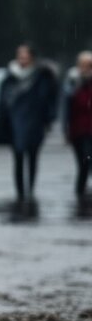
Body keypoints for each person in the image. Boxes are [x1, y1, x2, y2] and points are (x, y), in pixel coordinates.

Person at [0, 43, 59, 213]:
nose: (22, 58)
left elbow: (48, 99)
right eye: (19, 55)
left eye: (25, 55)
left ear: (32, 57)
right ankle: (21, 193)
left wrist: (48, 119)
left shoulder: (41, 76)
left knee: (33, 157)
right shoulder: (10, 76)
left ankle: (30, 190)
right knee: (18, 157)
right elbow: (2, 101)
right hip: (15, 124)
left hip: (35, 124)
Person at [60, 51, 92, 212]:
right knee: (82, 161)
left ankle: (81, 191)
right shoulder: (72, 82)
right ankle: (80, 190)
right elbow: (65, 108)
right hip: (77, 129)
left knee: (87, 159)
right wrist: (64, 129)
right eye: (83, 65)